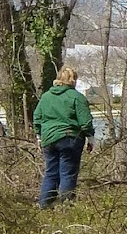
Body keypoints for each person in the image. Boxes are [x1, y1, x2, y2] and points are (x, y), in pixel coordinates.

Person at [33, 66, 94, 208]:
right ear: (73, 81)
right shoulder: (76, 97)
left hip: (48, 139)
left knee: (51, 173)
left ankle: (45, 205)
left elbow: (37, 118)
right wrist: (90, 138)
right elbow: (85, 122)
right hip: (69, 138)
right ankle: (65, 206)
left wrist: (39, 136)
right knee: (68, 173)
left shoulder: (46, 96)